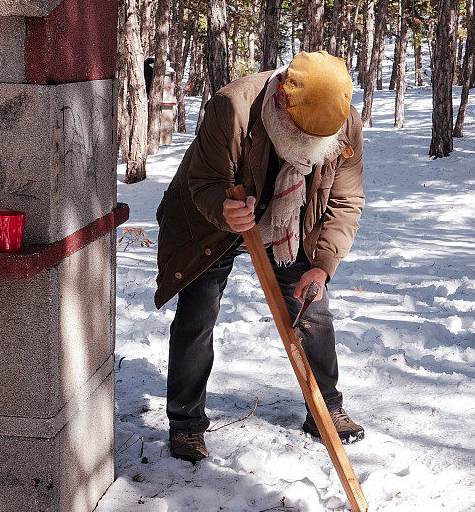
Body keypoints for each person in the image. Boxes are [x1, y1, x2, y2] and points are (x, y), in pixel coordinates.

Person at [154, 51, 365, 463]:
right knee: (197, 315)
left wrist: (323, 265)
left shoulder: (344, 124)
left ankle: (326, 408)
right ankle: (185, 424)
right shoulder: (232, 106)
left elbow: (345, 199)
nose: (309, 145)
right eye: (302, 133)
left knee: (312, 309)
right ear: (282, 101)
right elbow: (204, 181)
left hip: (288, 226)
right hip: (211, 223)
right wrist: (225, 209)